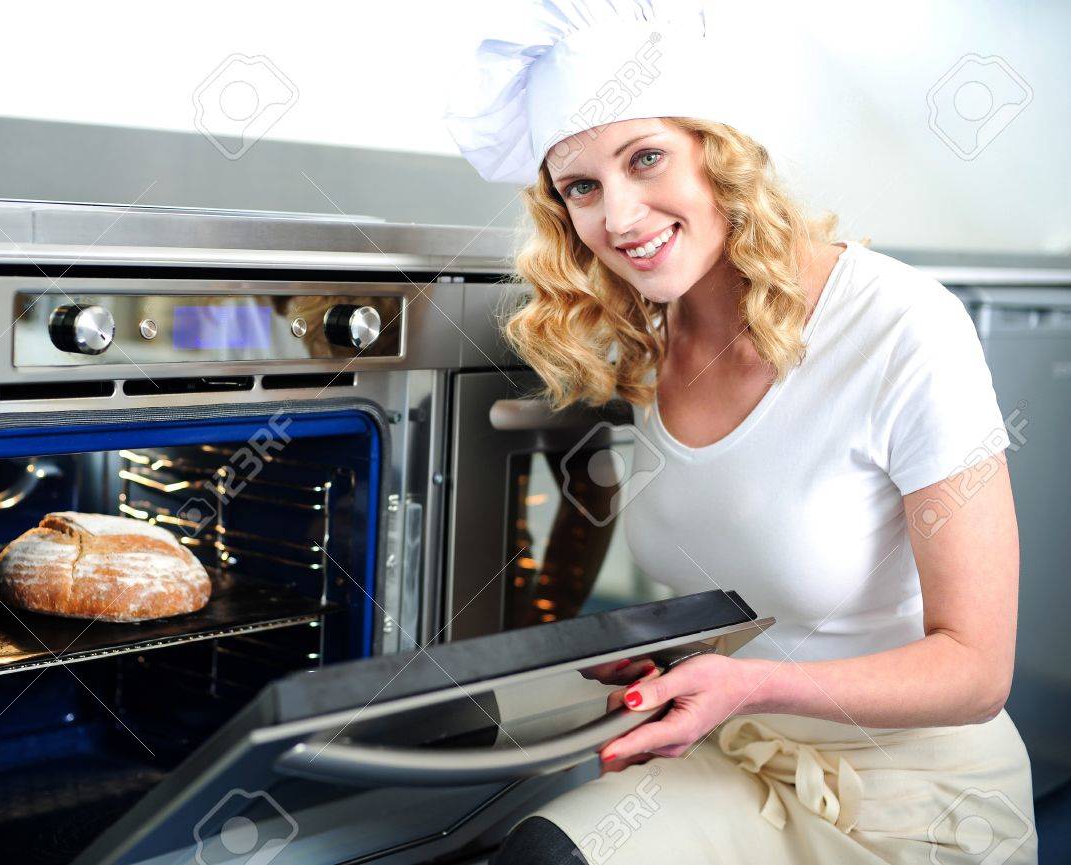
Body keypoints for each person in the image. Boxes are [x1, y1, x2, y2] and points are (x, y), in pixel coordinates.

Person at [444, 1, 1038, 862]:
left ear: (719, 151)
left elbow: (978, 670)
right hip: (738, 761)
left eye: (646, 159)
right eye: (581, 186)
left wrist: (747, 682)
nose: (618, 217)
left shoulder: (903, 326)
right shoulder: (649, 337)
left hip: (918, 797)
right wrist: (669, 662)